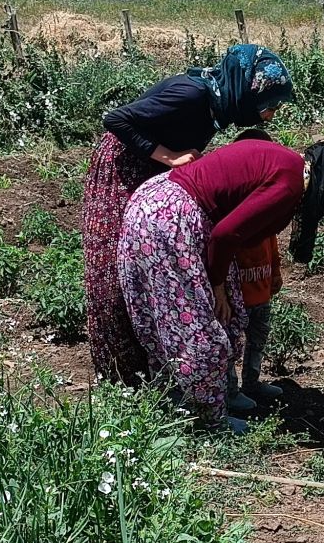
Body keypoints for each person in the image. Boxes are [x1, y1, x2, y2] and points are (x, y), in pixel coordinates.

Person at [118, 139, 324, 431]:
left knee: (210, 317)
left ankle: (200, 398)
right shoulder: (289, 184)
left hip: (159, 206)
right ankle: (206, 420)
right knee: (199, 329)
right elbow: (225, 235)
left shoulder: (290, 167)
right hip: (169, 219)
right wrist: (218, 285)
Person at [82, 44, 294, 384]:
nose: (269, 114)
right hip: (124, 169)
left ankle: (157, 372)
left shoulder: (217, 106)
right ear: (248, 89)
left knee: (149, 267)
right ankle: (121, 376)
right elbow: (116, 119)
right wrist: (167, 157)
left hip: (153, 173)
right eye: (269, 104)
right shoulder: (192, 94)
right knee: (117, 269)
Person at [225, 130, 286, 416]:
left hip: (260, 290)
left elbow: (272, 239)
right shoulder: (230, 201)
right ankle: (231, 391)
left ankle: (252, 382)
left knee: (258, 339)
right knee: (230, 345)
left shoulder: (266, 199)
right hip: (237, 295)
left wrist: (275, 271)